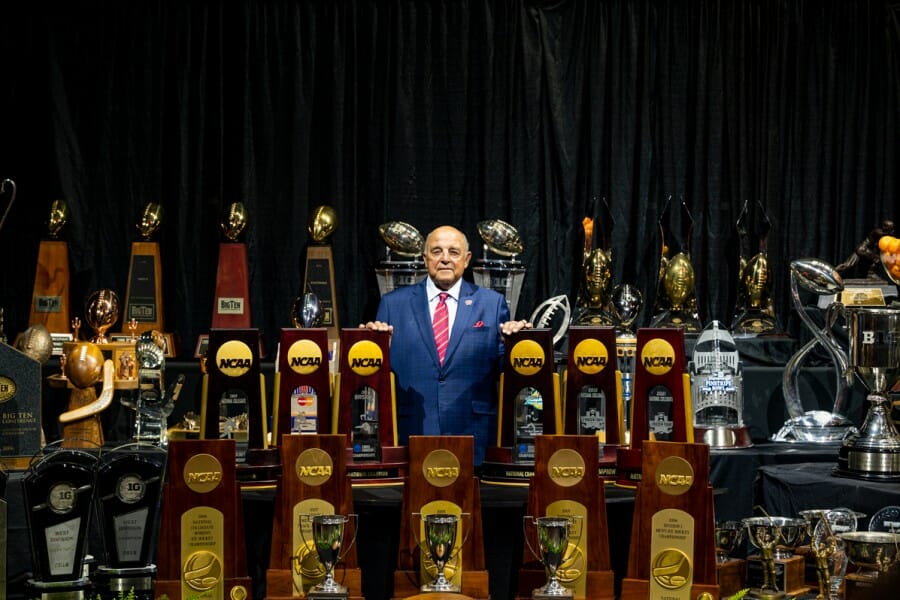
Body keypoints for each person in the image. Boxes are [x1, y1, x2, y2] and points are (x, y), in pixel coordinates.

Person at [362, 225, 530, 465]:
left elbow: (508, 371)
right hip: (410, 433)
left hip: (474, 436)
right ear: (425, 258)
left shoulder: (492, 304)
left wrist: (521, 346)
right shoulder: (392, 304)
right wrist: (367, 347)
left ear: (466, 259)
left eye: (453, 252)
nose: (445, 259)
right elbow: (375, 377)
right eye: (437, 251)